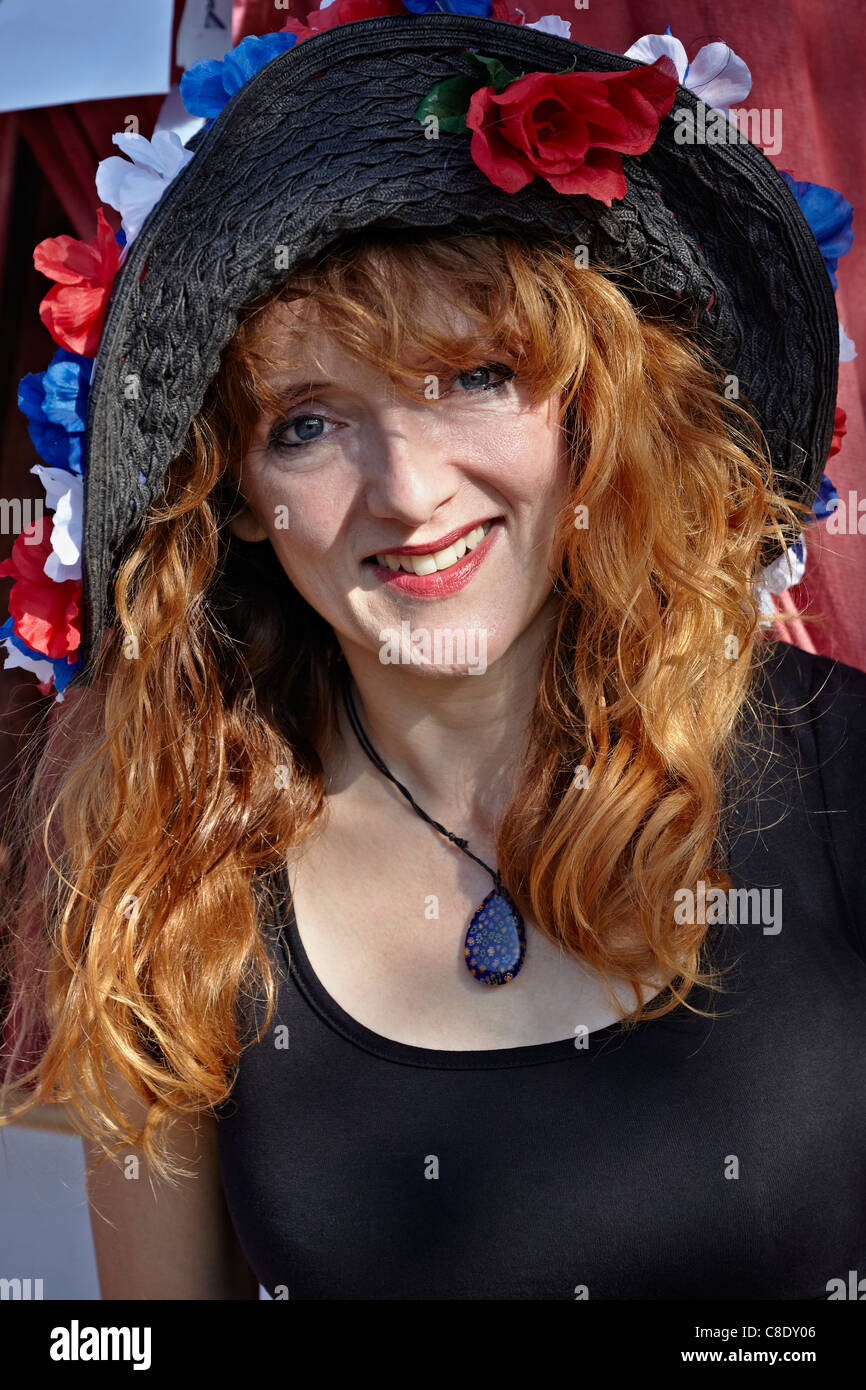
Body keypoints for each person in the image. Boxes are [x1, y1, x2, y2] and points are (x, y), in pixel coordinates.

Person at [1, 9, 864, 1301]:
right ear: (230, 487)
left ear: (588, 402)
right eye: (307, 420)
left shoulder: (841, 765)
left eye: (470, 377)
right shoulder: (172, 863)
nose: (407, 492)